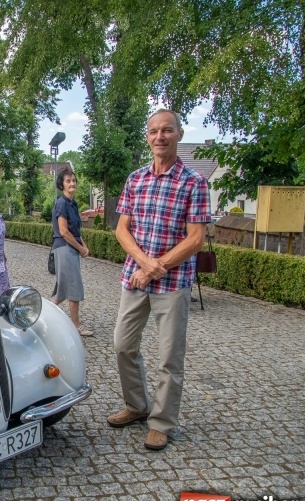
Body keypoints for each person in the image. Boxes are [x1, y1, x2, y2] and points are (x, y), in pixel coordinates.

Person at [108, 109, 211, 451]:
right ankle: (137, 406)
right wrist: (145, 263)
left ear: (179, 135)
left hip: (174, 283)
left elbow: (195, 239)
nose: (160, 136)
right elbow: (122, 229)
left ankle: (162, 422)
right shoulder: (135, 179)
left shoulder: (194, 182)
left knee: (169, 357)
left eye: (167, 130)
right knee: (123, 345)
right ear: (147, 136)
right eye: (154, 131)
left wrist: (158, 266)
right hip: (135, 278)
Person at [51, 167, 93, 336]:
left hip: (70, 248)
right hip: (65, 248)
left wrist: (84, 246)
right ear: (62, 185)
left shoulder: (72, 203)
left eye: (74, 180)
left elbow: (75, 230)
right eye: (68, 181)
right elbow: (64, 231)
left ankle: (41, 314)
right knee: (73, 288)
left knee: (62, 290)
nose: (72, 183)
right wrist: (81, 248)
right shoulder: (62, 203)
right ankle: (76, 325)